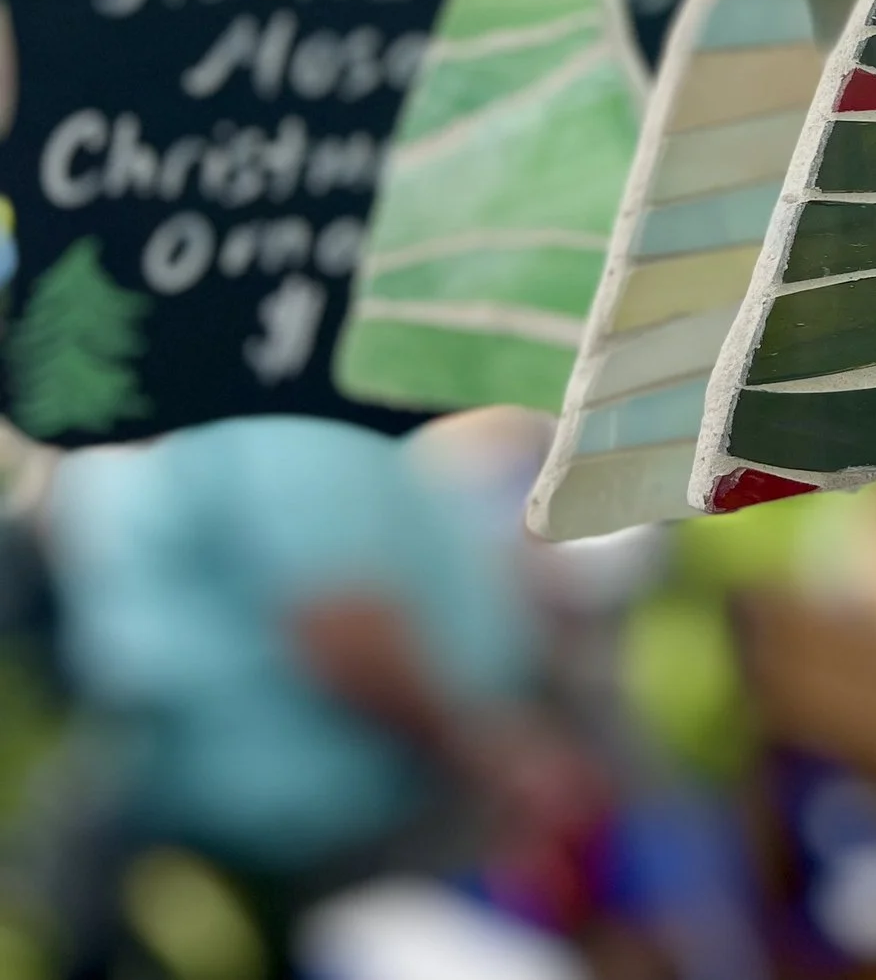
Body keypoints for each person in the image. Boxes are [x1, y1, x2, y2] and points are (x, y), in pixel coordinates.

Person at [34, 414, 607, 976]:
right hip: (362, 816)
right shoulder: (269, 414)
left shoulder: (123, 424)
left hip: (249, 821)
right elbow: (341, 628)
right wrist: (498, 751)